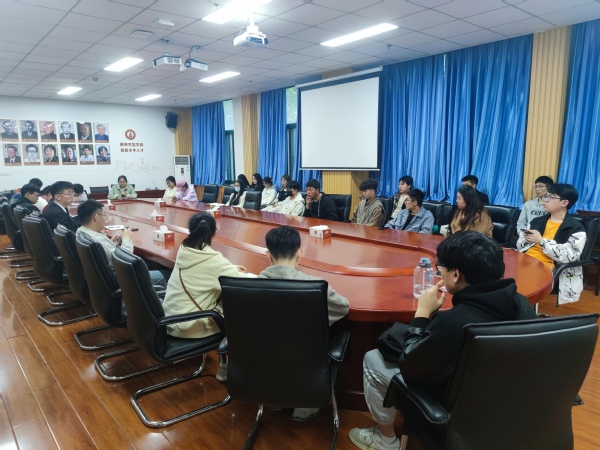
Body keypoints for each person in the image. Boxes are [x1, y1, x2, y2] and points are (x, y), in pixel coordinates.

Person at [349, 231, 536, 450]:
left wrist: (422, 315)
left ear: (455, 274)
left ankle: (385, 440)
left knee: (373, 359)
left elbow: (410, 367)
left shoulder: (456, 322)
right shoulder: (522, 304)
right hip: (509, 406)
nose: (440, 274)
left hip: (457, 411)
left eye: (441, 269)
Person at [259, 225, 350, 421]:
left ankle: (276, 396)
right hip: (306, 358)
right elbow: (343, 307)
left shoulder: (250, 285)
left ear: (268, 254)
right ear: (300, 253)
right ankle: (305, 404)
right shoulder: (315, 285)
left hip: (266, 359)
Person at [162, 213, 246, 338]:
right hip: (188, 327)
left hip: (168, 321)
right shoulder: (213, 260)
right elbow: (244, 284)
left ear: (191, 230)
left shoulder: (185, 250)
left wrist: (231, 268)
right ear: (214, 233)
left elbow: (208, 270)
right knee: (240, 308)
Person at [517, 183, 586, 304]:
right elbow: (519, 245)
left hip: (547, 266)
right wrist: (526, 238)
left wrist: (542, 241)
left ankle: (525, 309)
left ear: (564, 202)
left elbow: (570, 255)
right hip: (525, 260)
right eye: (545, 196)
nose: (545, 200)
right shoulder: (537, 221)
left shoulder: (576, 228)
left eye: (550, 197)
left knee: (519, 286)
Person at [76, 200, 169, 289]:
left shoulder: (81, 232)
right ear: (96, 217)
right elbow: (125, 260)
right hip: (123, 279)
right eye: (104, 215)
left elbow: (102, 252)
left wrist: (110, 242)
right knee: (168, 275)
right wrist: (126, 239)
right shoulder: (97, 240)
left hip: (103, 282)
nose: (105, 219)